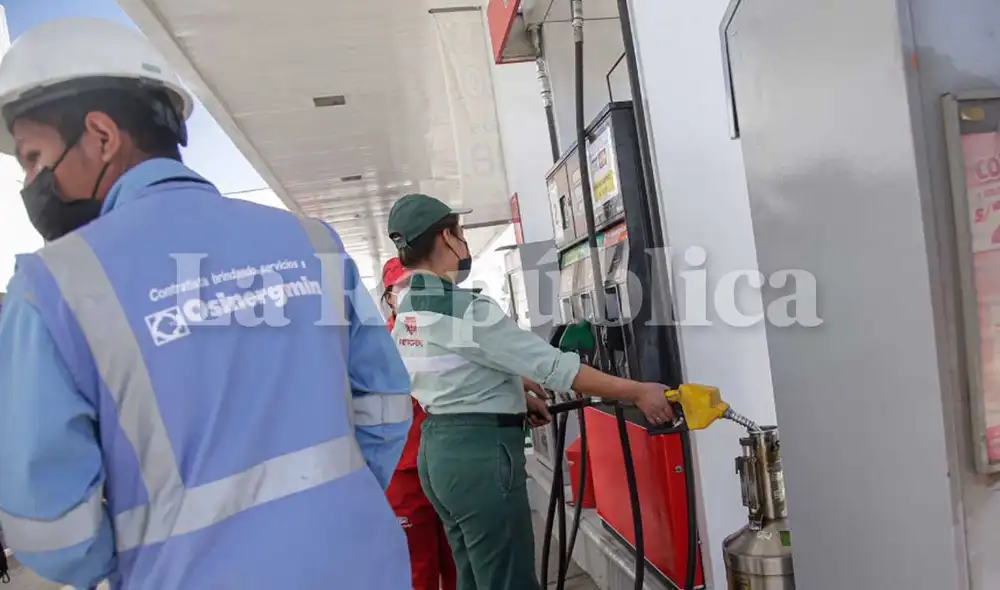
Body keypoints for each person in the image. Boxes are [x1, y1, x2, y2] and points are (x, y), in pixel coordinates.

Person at [0, 18, 413, 590]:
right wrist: (332, 506)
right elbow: (388, 402)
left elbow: (50, 527)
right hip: (363, 566)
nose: (31, 182)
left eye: (32, 156)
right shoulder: (311, 242)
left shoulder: (50, 288)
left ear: (100, 135)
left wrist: (152, 557)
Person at [385, 193, 677, 590]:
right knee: (508, 580)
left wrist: (513, 393)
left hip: (439, 454)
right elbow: (554, 367)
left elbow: (450, 372)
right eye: (459, 231)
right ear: (445, 237)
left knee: (473, 576)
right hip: (480, 457)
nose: (463, 240)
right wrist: (637, 390)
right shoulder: (466, 308)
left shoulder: (409, 307)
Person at [382, 258, 458, 590]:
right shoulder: (376, 348)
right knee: (418, 570)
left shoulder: (452, 336)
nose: (413, 294)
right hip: (403, 475)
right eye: (402, 287)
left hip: (451, 466)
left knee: (462, 563)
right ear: (388, 297)